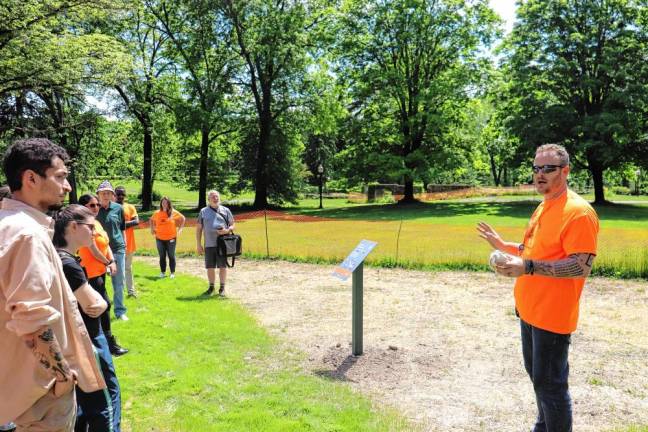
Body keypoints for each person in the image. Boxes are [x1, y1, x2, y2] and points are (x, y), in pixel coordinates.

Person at [477, 143, 599, 432]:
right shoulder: (545, 205)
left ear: (565, 171)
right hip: (529, 310)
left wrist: (527, 267)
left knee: (551, 386)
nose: (540, 174)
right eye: (536, 168)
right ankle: (543, 426)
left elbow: (580, 265)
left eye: (549, 168)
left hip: (552, 316)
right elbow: (532, 250)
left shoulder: (578, 213)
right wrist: (503, 246)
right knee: (538, 379)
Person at [0, 138, 105, 430]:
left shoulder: (7, 224)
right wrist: (62, 376)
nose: (68, 186)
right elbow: (32, 319)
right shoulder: (27, 235)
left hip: (18, 384)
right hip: (40, 391)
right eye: (60, 176)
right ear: (30, 178)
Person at [53, 205, 122, 432]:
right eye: (90, 227)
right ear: (74, 227)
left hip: (68, 342)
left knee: (81, 404)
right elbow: (95, 305)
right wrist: (102, 303)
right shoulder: (68, 264)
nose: (94, 232)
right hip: (89, 339)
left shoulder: (54, 257)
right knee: (107, 400)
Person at [79, 194, 129, 357]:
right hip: (88, 273)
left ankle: (105, 343)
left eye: (97, 205)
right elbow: (93, 249)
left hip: (100, 271)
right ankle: (105, 344)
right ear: (83, 207)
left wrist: (112, 260)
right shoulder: (82, 225)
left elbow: (105, 244)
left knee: (103, 306)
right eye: (91, 205)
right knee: (102, 305)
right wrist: (109, 263)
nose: (95, 208)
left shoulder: (97, 223)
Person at [96, 180, 129, 321]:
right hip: (98, 250)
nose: (106, 195)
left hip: (117, 248)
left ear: (112, 195)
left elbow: (122, 228)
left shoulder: (118, 208)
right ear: (98, 194)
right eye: (103, 193)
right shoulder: (93, 209)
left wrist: (124, 244)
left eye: (109, 193)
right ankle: (99, 310)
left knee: (119, 281)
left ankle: (120, 311)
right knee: (98, 281)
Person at [196, 190, 235, 296]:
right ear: (208, 199)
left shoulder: (226, 210)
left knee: (222, 266)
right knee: (210, 267)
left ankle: (222, 288)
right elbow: (199, 228)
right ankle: (211, 287)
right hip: (209, 244)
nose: (215, 198)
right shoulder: (203, 211)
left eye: (217, 196)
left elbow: (232, 224)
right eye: (213, 196)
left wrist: (227, 230)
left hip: (222, 244)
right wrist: (198, 244)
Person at [150, 197, 185, 279]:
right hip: (159, 238)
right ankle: (162, 272)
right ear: (161, 203)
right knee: (162, 256)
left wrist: (180, 229)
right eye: (163, 202)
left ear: (169, 203)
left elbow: (183, 218)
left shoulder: (173, 212)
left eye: (166, 203)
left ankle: (172, 273)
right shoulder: (157, 213)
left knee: (171, 255)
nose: (164, 204)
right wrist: (152, 229)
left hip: (171, 238)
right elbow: (151, 220)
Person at [115, 186, 139, 298]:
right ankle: (119, 292)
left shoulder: (130, 207)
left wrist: (122, 225)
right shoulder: (111, 208)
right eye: (118, 194)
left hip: (129, 243)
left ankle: (131, 291)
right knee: (116, 271)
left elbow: (136, 221)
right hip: (114, 245)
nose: (120, 196)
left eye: (122, 194)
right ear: (114, 195)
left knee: (128, 268)